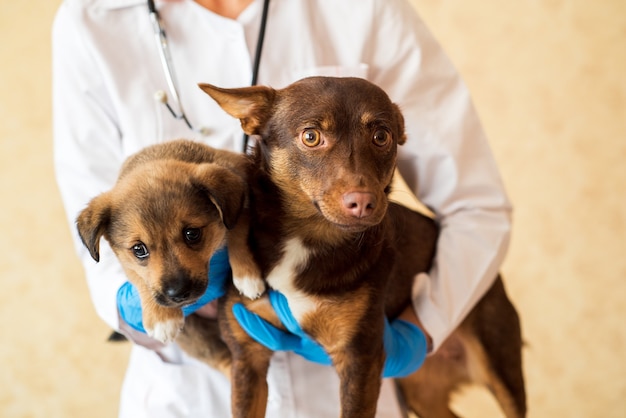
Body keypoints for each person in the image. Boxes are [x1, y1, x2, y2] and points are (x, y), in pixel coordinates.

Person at [52, 0, 512, 417]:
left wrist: (423, 327)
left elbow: (476, 206)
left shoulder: (368, 8)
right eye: (312, 135)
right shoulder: (92, 20)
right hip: (190, 393)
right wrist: (136, 301)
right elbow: (96, 223)